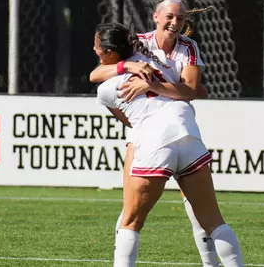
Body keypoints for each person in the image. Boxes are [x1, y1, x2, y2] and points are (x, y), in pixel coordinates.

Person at [93, 21, 244, 267]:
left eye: (97, 47)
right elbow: (199, 91)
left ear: (109, 53)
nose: (94, 50)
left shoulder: (106, 89)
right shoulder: (157, 62)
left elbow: (124, 115)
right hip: (187, 130)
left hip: (154, 138)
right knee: (213, 221)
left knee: (130, 221)